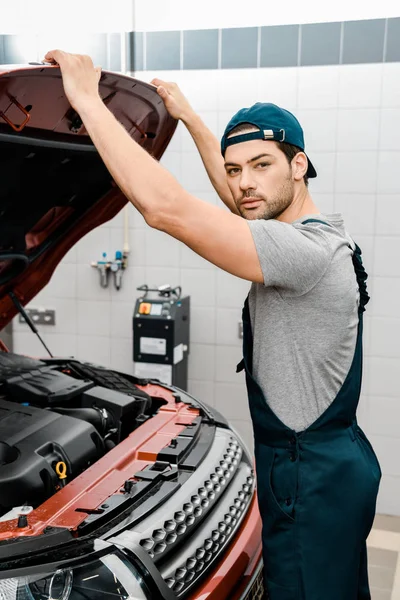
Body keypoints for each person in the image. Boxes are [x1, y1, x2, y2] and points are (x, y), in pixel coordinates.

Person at [44, 50, 381, 600]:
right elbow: (246, 202)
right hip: (330, 465)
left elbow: (166, 209)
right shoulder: (320, 233)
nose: (244, 183)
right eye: (234, 169)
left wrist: (85, 98)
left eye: (262, 164)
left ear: (300, 164)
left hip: (309, 479)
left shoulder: (299, 253)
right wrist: (193, 120)